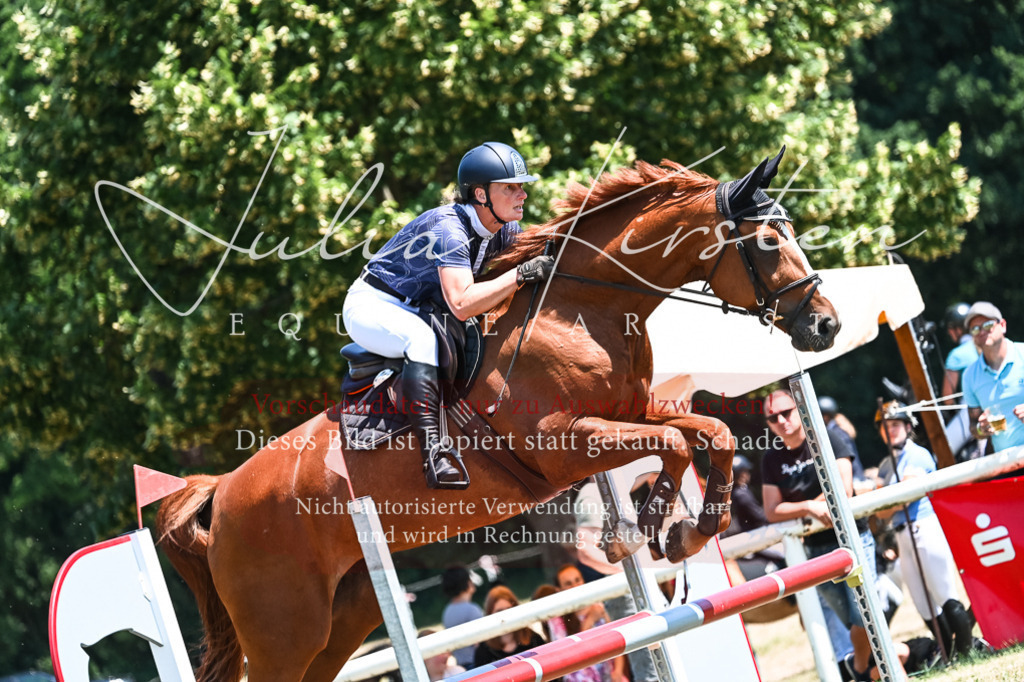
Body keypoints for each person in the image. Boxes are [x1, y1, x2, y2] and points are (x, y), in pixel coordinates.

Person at [342, 142, 555, 488]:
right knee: (420, 339)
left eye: (522, 186)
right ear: (481, 195)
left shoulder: (504, 230)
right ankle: (434, 454)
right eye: (510, 188)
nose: (523, 195)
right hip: (373, 305)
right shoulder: (448, 228)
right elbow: (461, 303)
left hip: (418, 307)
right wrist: (519, 275)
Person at [761, 388, 886, 682]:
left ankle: (859, 671)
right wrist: (809, 506)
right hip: (815, 550)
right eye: (773, 417)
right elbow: (771, 510)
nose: (781, 420)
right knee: (856, 623)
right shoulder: (770, 459)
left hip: (851, 537)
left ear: (800, 410)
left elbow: (843, 490)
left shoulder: (829, 437)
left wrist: (800, 508)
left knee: (863, 616)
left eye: (786, 412)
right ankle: (877, 668)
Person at [873, 400, 975, 658]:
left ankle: (966, 652)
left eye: (896, 424)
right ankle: (950, 653)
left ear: (908, 426)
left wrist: (886, 499)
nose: (891, 430)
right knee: (922, 604)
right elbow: (881, 511)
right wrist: (888, 501)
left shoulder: (918, 454)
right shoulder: (886, 465)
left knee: (945, 595)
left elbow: (904, 497)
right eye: (886, 426)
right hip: (901, 535)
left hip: (924, 527)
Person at [573, 477, 657, 682]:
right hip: (628, 591)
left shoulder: (610, 491)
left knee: (656, 664)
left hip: (634, 588)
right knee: (650, 670)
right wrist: (628, 571)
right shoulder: (593, 492)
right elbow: (586, 548)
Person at [962, 301, 1024, 451]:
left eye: (988, 325)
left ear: (1002, 325)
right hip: (1006, 464)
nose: (982, 331)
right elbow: (973, 426)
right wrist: (980, 429)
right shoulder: (969, 376)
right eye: (975, 329)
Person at [549, 564, 618, 682]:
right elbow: (570, 654)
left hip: (609, 676)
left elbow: (616, 640)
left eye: (578, 580)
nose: (575, 586)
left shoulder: (597, 605)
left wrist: (618, 672)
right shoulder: (556, 620)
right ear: (559, 590)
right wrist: (590, 621)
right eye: (568, 584)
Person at [472, 585, 546, 667]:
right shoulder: (483, 651)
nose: (505, 616)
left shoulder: (534, 639)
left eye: (508, 610)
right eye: (499, 611)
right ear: (490, 614)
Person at [441, 565, 484, 669]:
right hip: (478, 664)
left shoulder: (447, 611)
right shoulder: (472, 609)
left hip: (462, 666)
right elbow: (481, 641)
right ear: (466, 582)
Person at [818, 396, 867, 484]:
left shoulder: (836, 433)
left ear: (825, 416)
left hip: (853, 478)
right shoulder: (839, 429)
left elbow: (847, 458)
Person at [941, 302, 979, 403]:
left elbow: (947, 398)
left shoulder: (956, 355)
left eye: (950, 329)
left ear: (957, 329)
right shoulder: (988, 346)